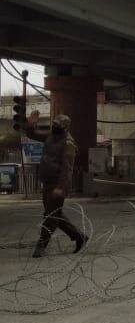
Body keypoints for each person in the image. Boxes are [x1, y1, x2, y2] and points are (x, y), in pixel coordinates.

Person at [23, 110, 87, 258]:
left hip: (57, 184)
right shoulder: (50, 136)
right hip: (47, 181)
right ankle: (79, 237)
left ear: (65, 127)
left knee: (50, 215)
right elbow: (31, 134)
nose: (54, 127)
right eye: (54, 124)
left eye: (57, 125)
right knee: (55, 214)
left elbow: (67, 168)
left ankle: (41, 245)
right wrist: (31, 125)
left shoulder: (68, 143)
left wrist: (60, 187)